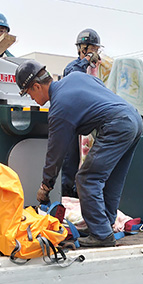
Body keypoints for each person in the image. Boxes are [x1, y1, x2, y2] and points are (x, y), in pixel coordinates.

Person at [15, 60, 143, 247]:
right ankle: (102, 226)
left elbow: (55, 153)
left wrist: (46, 185)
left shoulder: (59, 107)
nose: (31, 99)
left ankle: (101, 235)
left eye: (29, 94)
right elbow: (99, 91)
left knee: (87, 178)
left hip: (117, 124)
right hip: (134, 119)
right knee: (112, 178)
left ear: (36, 86)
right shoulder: (76, 77)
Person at [58, 29, 104, 197]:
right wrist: (85, 62)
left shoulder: (99, 69)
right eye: (90, 48)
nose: (94, 52)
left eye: (96, 49)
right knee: (70, 161)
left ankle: (82, 195)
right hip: (74, 122)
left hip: (92, 123)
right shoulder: (73, 67)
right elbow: (72, 78)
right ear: (81, 49)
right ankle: (67, 196)